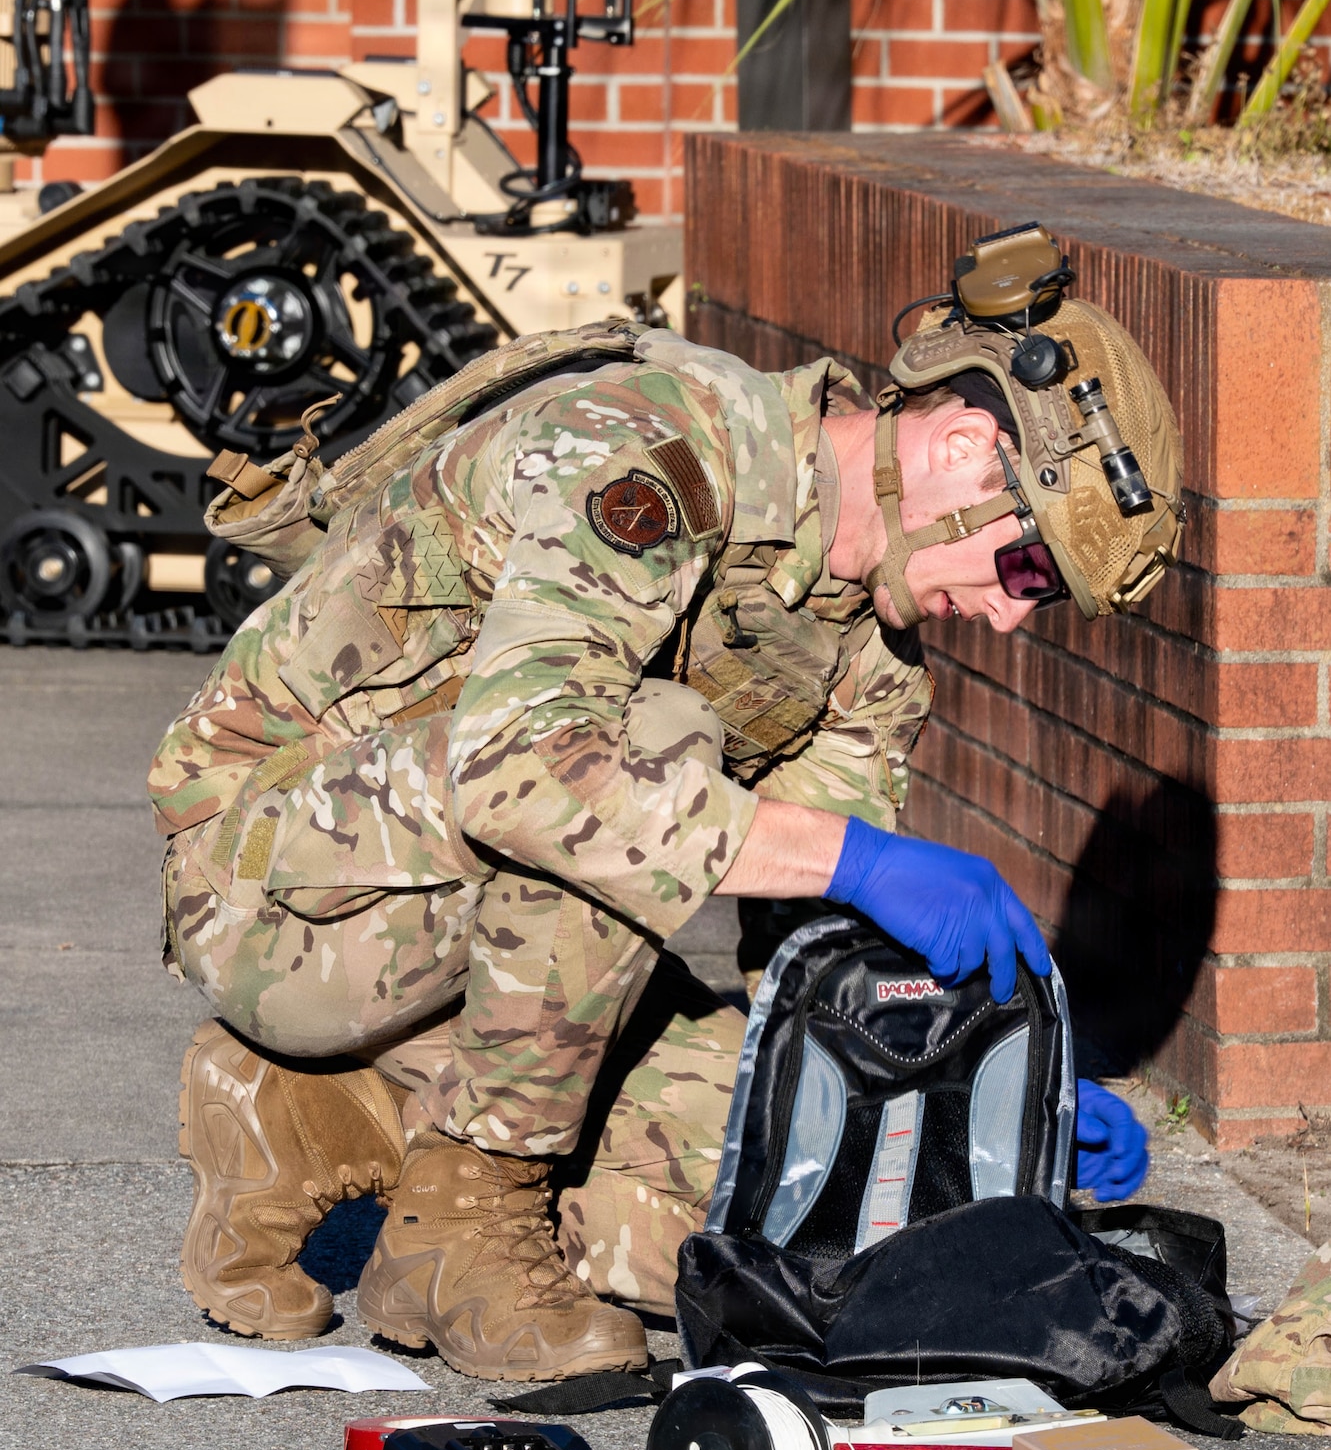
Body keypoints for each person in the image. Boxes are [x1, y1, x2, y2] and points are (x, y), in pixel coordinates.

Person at [150, 240, 1180, 1383]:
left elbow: (810, 969)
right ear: (962, 448)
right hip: (270, 883)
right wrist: (855, 856)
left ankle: (310, 1111)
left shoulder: (872, 661)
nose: (1006, 618)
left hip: (452, 941)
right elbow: (527, 765)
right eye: (1028, 571)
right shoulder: (654, 440)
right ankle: (465, 1229)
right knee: (638, 744)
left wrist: (991, 1088)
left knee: (779, 1197)